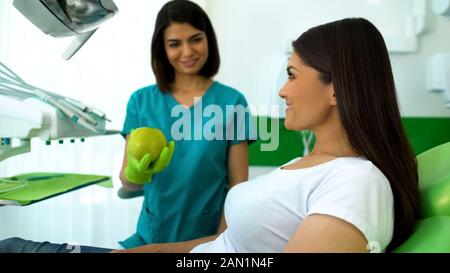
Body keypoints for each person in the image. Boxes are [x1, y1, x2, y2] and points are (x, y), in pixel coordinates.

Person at [0, 17, 420, 253]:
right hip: (158, 234)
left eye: (292, 75)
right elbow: (227, 245)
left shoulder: (354, 181)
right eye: (174, 43)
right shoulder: (302, 167)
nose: (281, 89)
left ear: (336, 87)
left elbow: (235, 211)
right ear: (160, 51)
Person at [0, 0, 254, 253]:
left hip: (204, 243)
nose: (187, 52)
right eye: (175, 44)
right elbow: (127, 182)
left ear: (208, 39)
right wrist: (135, 175)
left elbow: (238, 191)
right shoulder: (142, 101)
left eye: (196, 39)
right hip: (149, 240)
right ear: (161, 49)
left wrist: (220, 244)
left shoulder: (232, 102)